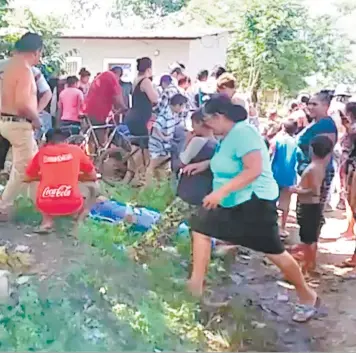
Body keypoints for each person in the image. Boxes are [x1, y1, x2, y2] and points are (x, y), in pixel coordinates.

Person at [184, 94, 318, 323]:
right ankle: (195, 286)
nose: (207, 126)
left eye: (208, 120)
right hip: (233, 201)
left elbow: (253, 170)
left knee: (274, 252)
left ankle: (308, 296)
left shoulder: (243, 133)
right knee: (200, 228)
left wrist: (220, 192)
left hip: (254, 202)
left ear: (220, 116)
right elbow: (229, 161)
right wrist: (205, 165)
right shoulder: (228, 135)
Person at [0, 32, 43, 220]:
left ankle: (37, 202)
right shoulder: (24, 70)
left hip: (6, 120)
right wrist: (36, 119)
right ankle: (3, 205)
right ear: (36, 51)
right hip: (19, 123)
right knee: (24, 167)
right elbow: (22, 104)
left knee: (35, 163)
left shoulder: (8, 66)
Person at [24, 128, 99, 234]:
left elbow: (27, 178)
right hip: (73, 204)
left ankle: (47, 221)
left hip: (46, 204)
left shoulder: (42, 153)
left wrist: (45, 175)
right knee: (94, 185)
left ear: (47, 142)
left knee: (32, 184)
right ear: (66, 140)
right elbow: (93, 176)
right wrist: (75, 176)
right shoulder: (76, 150)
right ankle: (79, 222)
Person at [290, 136, 334, 274]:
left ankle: (307, 267)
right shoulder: (320, 166)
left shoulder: (314, 168)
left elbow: (315, 191)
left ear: (312, 150)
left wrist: (297, 190)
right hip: (311, 207)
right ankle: (310, 265)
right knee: (311, 238)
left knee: (308, 240)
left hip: (308, 206)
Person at [296, 92, 337, 228]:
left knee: (312, 212)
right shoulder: (315, 122)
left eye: (315, 104)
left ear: (326, 106)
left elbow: (325, 151)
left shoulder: (326, 124)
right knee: (305, 210)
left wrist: (317, 175)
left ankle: (310, 246)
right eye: (309, 103)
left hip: (317, 174)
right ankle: (306, 244)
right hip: (309, 172)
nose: (310, 107)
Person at [123, 57, 159, 185]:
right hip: (141, 117)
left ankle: (131, 175)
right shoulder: (146, 81)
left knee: (136, 146)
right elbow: (154, 98)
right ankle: (142, 176)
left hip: (133, 116)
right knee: (144, 148)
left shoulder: (136, 80)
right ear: (149, 68)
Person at [177, 109, 217, 206]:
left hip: (189, 189)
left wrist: (186, 141)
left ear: (199, 123)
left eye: (193, 124)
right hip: (207, 189)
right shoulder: (217, 142)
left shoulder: (197, 141)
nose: (192, 127)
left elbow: (182, 162)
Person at [146, 93, 187, 185]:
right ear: (177, 105)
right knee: (152, 166)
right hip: (157, 144)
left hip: (165, 145)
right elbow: (156, 127)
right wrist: (163, 137)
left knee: (162, 167)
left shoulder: (173, 114)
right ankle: (147, 186)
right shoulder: (165, 114)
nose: (182, 109)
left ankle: (160, 186)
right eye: (182, 107)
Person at [83, 66, 127, 143]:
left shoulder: (102, 76)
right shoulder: (112, 77)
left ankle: (92, 153)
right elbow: (118, 99)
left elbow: (106, 96)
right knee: (101, 136)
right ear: (119, 75)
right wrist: (124, 108)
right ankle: (102, 153)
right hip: (98, 112)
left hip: (88, 109)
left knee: (93, 136)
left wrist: (113, 108)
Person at [271, 119, 298, 238]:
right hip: (289, 176)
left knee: (271, 201)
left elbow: (270, 154)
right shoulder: (296, 142)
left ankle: (271, 225)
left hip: (275, 174)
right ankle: (282, 227)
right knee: (286, 203)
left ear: (283, 128)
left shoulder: (277, 140)